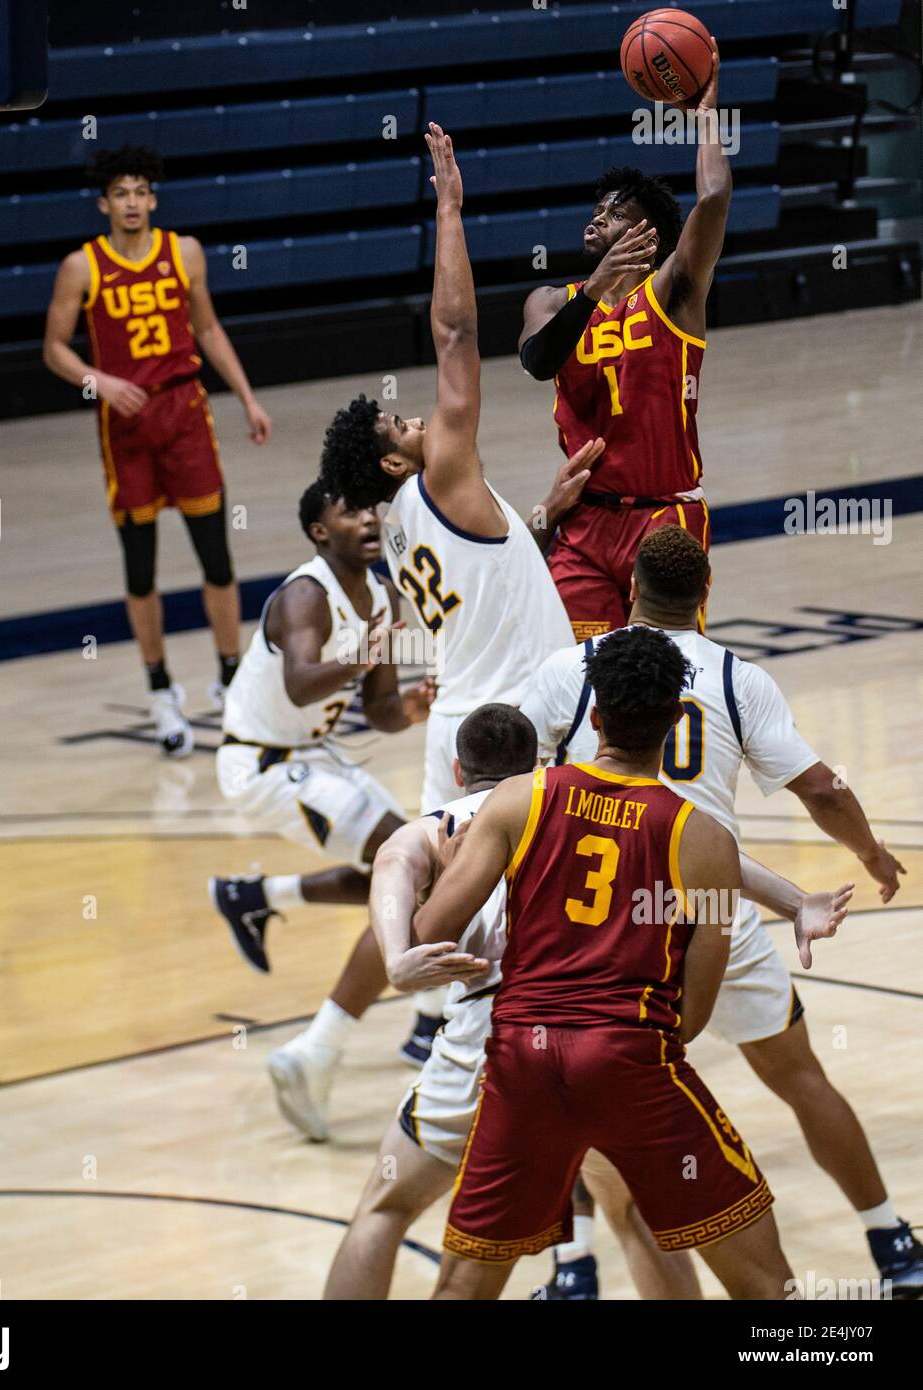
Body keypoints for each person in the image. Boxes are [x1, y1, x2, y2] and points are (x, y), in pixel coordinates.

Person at [324, 703, 851, 1301]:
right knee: (637, 1221)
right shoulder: (559, 799)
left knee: (387, 1209)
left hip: (496, 1041)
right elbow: (705, 847)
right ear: (540, 761)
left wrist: (396, 955)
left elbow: (391, 864)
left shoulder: (451, 822)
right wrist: (793, 900)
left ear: (456, 771)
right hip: (601, 1045)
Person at [521, 524, 921, 1298]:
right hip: (712, 910)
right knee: (799, 1078)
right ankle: (889, 1240)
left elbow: (514, 776)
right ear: (704, 596)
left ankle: (572, 1267)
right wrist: (869, 855)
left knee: (572, 1090)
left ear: (627, 586)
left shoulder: (569, 671)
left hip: (601, 923)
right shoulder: (739, 679)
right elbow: (824, 790)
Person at [318, 122, 596, 1065]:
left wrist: (540, 525)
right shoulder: (439, 475)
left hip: (459, 725)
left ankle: (400, 1029)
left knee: (439, 874)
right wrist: (448, 209)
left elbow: (478, 577)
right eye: (402, 421)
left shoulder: (397, 525)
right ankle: (523, 1028)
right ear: (398, 455)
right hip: (522, 715)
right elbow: (455, 332)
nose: (419, 417)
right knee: (574, 862)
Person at [415, 627, 794, 1300]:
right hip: (630, 1056)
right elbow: (694, 1005)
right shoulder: (701, 839)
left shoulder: (519, 798)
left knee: (465, 1283)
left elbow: (432, 930)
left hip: (521, 1057)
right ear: (675, 720)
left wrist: (449, 871)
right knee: (766, 1284)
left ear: (594, 719)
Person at [211, 481, 434, 1140]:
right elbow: (302, 681)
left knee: (402, 878)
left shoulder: (385, 596)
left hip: (314, 753)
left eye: (372, 508)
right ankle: (329, 1045)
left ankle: (254, 896)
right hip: (264, 762)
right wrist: (368, 649)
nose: (368, 518)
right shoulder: (304, 595)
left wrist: (412, 707)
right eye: (349, 512)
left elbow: (379, 709)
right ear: (318, 530)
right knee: (414, 867)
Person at [43, 145, 272, 755]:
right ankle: (159, 688)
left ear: (154, 197)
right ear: (104, 203)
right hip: (126, 425)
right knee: (140, 569)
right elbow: (55, 350)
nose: (133, 202)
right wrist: (100, 380)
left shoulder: (185, 252)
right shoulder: (82, 267)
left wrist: (248, 397)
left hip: (184, 413)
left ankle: (229, 677)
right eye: (121, 193)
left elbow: (209, 329)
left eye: (141, 191)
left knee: (216, 558)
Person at [519, 41, 726, 640]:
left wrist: (705, 114)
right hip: (584, 525)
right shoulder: (553, 301)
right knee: (584, 685)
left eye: (611, 213)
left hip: (665, 518)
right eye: (595, 210)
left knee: (655, 685)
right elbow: (537, 361)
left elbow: (712, 200)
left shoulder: (675, 293)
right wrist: (594, 290)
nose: (594, 218)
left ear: (647, 234)